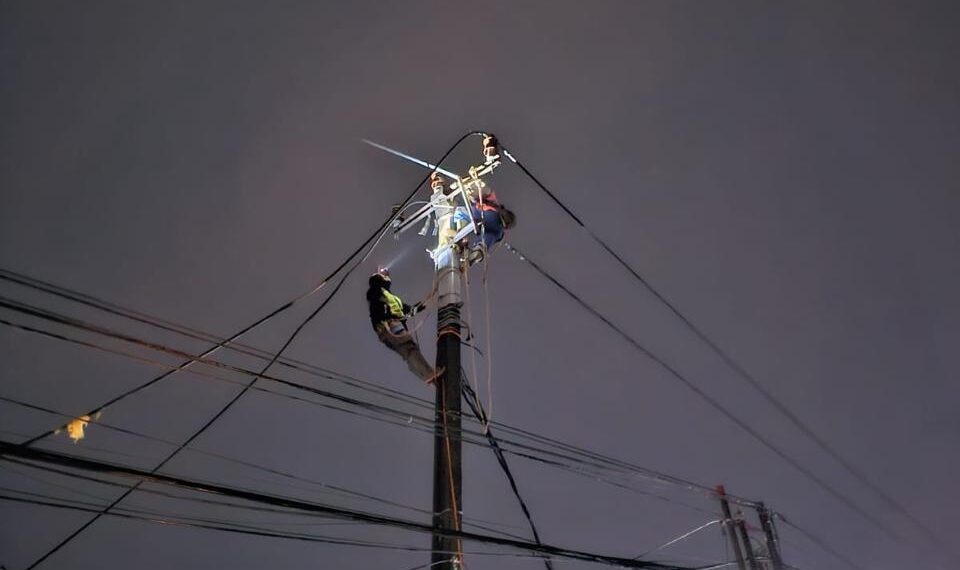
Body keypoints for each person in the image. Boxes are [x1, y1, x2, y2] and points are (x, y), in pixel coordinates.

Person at [366, 268, 437, 383]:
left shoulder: (391, 297)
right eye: (383, 274)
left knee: (408, 352)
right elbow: (375, 298)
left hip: (390, 328)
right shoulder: (376, 291)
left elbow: (409, 310)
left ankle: (430, 378)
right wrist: (379, 275)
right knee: (410, 349)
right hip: (389, 325)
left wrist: (425, 302)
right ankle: (430, 375)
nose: (386, 275)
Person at [465, 185, 516, 264]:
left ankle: (478, 250)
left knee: (460, 213)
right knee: (490, 236)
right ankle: (478, 250)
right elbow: (488, 238)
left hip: (477, 211)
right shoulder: (497, 231)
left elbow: (488, 193)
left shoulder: (494, 207)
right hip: (481, 213)